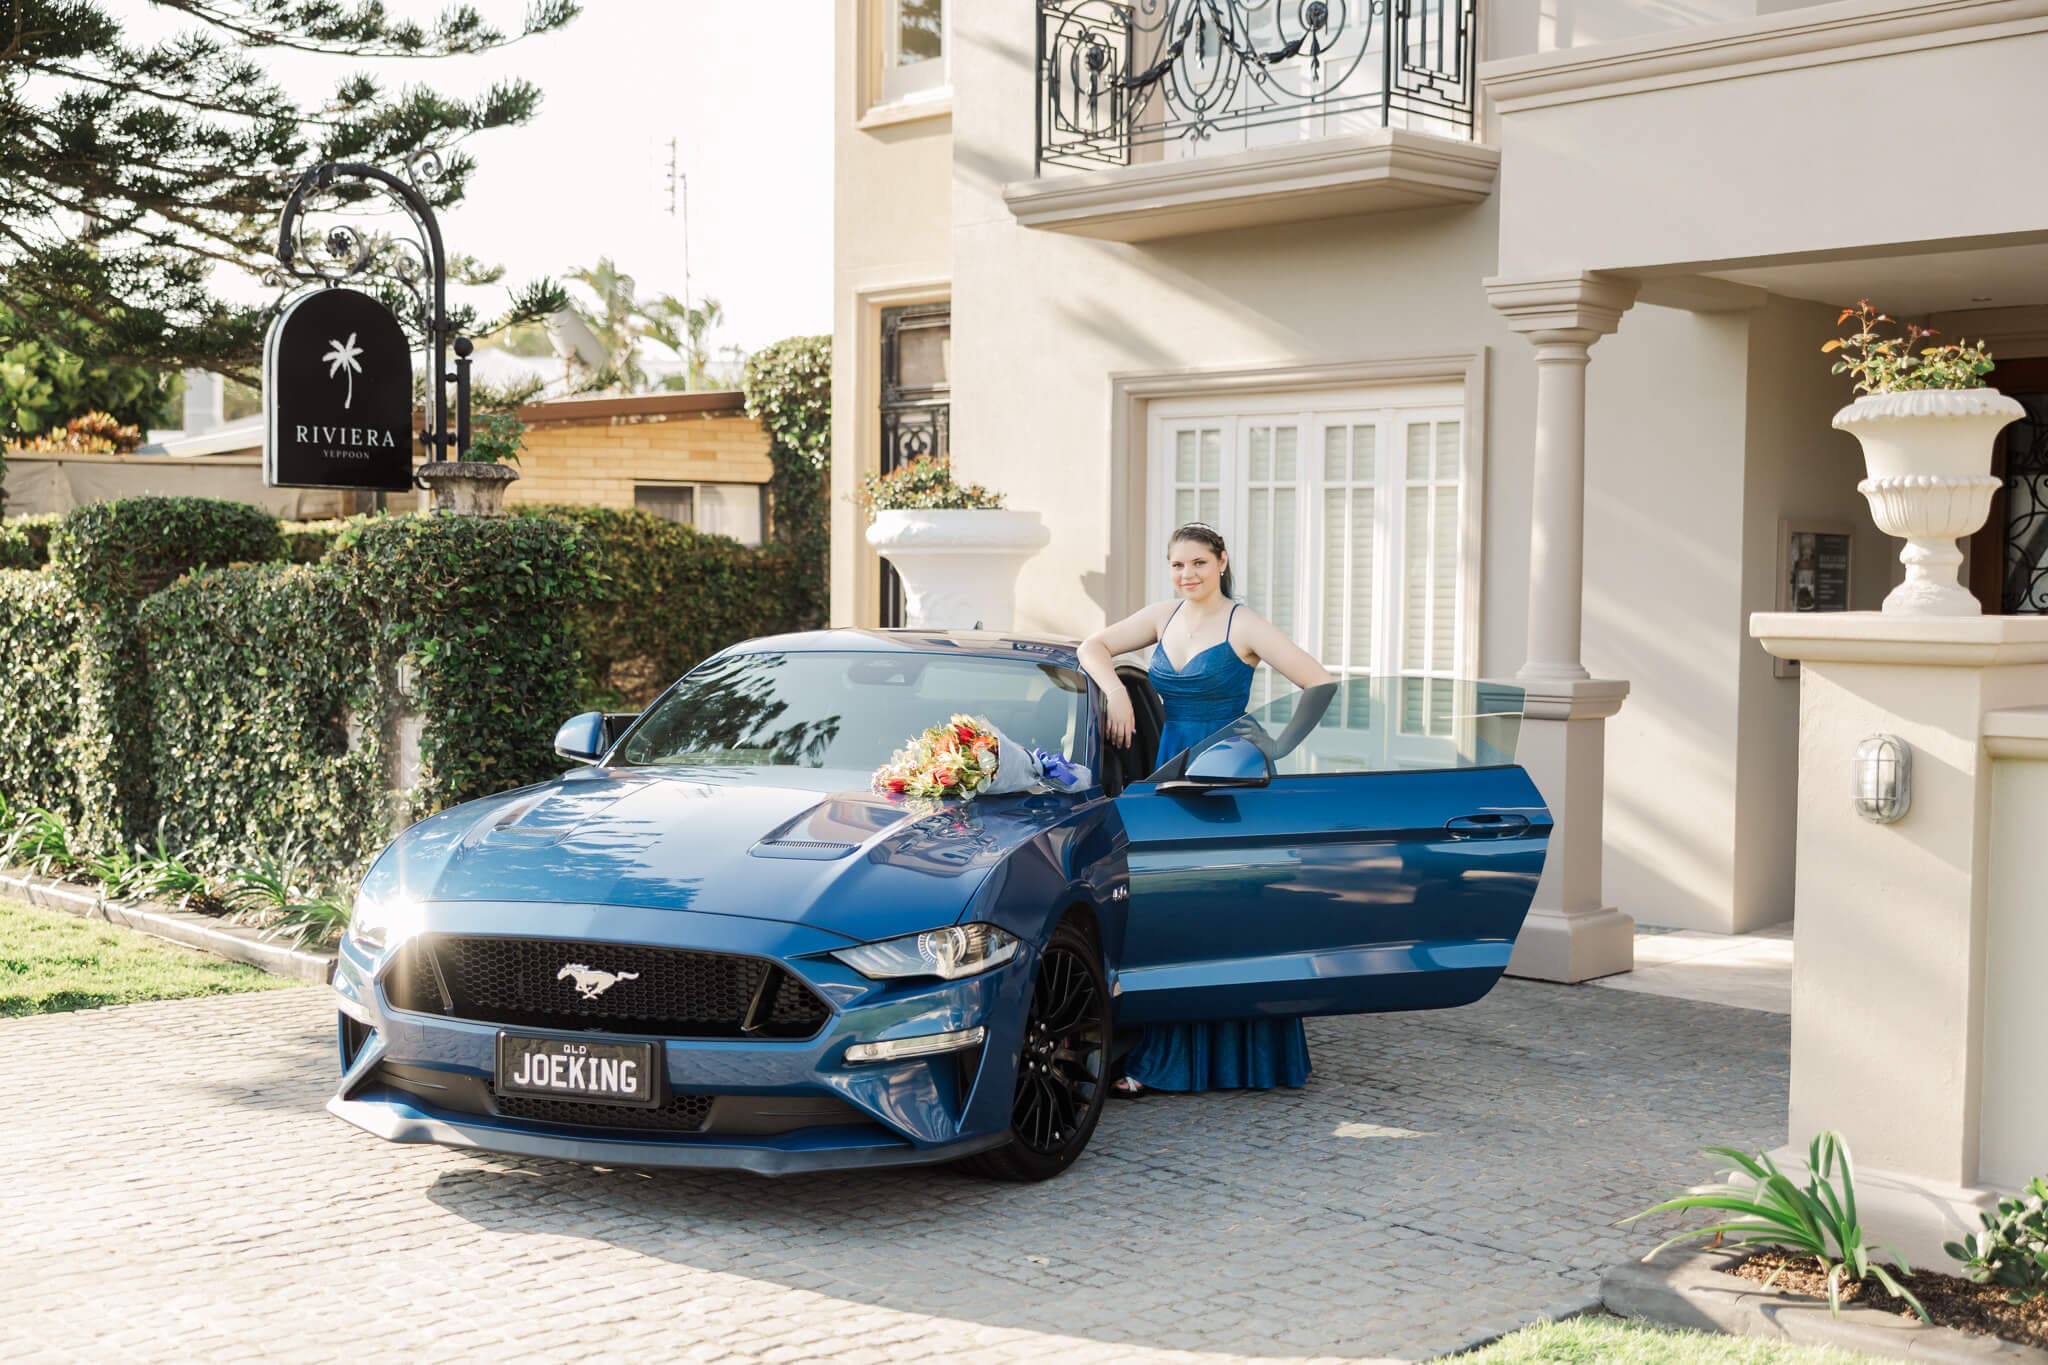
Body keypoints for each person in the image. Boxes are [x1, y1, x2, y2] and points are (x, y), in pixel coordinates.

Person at [1075, 522, 1336, 1095]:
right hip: (1168, 775)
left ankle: (1247, 1058)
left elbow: (1318, 683)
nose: (1187, 574)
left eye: (1197, 563)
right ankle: (1162, 1057)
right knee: (1173, 909)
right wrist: (1116, 689)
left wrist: (1275, 747)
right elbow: (1090, 647)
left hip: (1227, 781)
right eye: (1177, 565)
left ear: (1221, 562)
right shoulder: (1160, 616)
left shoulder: (1244, 622)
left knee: (1231, 913)